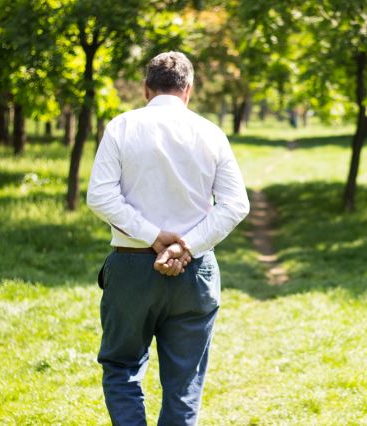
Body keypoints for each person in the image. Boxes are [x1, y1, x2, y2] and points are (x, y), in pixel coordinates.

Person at [87, 51, 250, 425]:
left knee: (122, 368)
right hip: (194, 273)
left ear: (146, 88)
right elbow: (235, 204)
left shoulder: (121, 127)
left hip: (130, 268)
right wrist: (185, 245)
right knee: (185, 383)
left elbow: (100, 195)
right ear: (188, 90)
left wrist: (153, 236)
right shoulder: (210, 132)